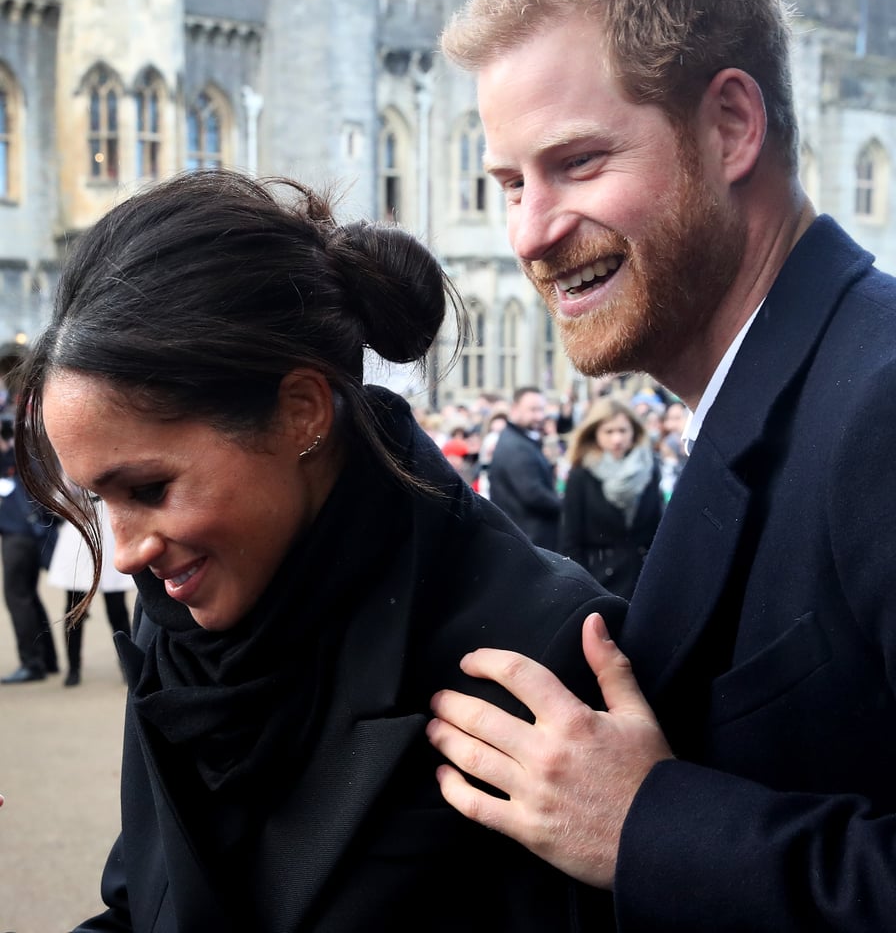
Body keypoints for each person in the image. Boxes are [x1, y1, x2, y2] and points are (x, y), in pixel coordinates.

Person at [426, 0, 896, 929]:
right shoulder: (773, 391)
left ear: (732, 128)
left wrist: (652, 825)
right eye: (510, 184)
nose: (529, 231)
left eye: (576, 163)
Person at [13, 169, 624, 931]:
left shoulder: (541, 655)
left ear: (301, 413)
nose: (127, 553)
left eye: (148, 488)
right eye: (100, 501)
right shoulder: (177, 621)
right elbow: (149, 901)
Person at [558, 398, 661, 600]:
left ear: (634, 431)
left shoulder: (648, 469)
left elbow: (658, 525)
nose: (617, 439)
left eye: (623, 430)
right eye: (609, 431)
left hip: (645, 581)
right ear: (595, 433)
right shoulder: (581, 474)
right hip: (600, 580)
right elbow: (570, 539)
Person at [47, 496, 132, 687]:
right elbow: (56, 497)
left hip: (110, 536)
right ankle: (73, 667)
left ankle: (128, 665)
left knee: (117, 611)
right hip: (79, 538)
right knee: (74, 611)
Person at [0, 420, 59, 684]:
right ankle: (47, 659)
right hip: (24, 534)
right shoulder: (18, 456)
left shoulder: (15, 460)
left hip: (20, 536)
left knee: (18, 598)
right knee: (28, 597)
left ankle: (32, 663)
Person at [486, 386, 562, 550]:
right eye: (533, 410)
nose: (539, 416)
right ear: (514, 409)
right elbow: (532, 493)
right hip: (530, 537)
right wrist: (566, 505)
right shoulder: (515, 446)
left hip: (527, 535)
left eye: (541, 409)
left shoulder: (519, 439)